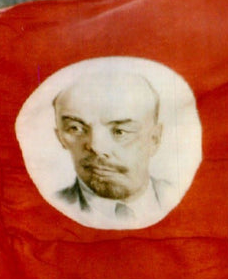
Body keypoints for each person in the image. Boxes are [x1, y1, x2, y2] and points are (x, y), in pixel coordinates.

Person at [52, 70, 170, 227]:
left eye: (119, 132)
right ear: (60, 136)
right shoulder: (48, 210)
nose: (96, 147)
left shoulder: (179, 198)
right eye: (75, 128)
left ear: (154, 139)